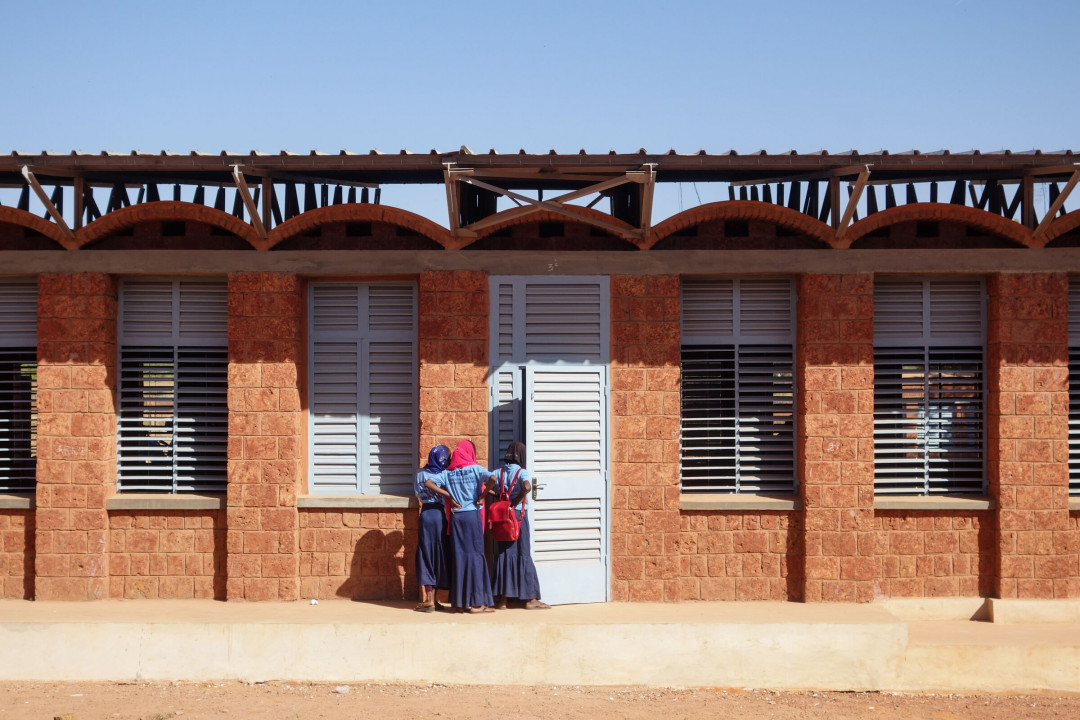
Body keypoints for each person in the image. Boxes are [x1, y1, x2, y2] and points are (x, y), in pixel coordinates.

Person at [432, 439, 496, 613]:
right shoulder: (475, 469)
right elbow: (493, 478)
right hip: (471, 516)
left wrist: (450, 497)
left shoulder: (448, 473)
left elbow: (428, 483)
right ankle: (476, 604)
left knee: (460, 557)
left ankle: (461, 603)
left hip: (456, 519)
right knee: (475, 556)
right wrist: (483, 496)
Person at [489, 441, 549, 609]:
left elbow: (486, 482)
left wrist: (496, 494)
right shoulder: (522, 472)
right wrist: (520, 496)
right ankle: (530, 599)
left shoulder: (498, 472)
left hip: (503, 518)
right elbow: (528, 486)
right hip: (518, 518)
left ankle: (503, 600)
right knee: (523, 553)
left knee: (505, 554)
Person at [413, 445, 455, 612]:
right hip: (438, 515)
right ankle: (434, 599)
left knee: (426, 553)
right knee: (438, 553)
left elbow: (418, 492)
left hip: (425, 514)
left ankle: (428, 598)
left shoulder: (419, 473)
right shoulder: (443, 475)